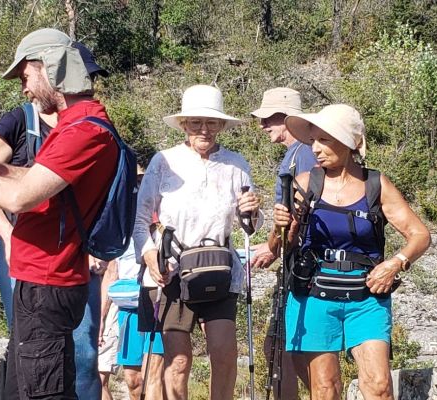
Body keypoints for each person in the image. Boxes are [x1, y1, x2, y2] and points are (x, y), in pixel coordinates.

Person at [0, 27, 119, 400]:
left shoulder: (84, 131)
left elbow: (20, 197)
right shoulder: (75, 126)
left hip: (49, 282)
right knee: (27, 388)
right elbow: (34, 178)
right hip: (42, 281)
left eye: (26, 76)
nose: (24, 88)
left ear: (50, 69)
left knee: (43, 392)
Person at [270, 104, 432, 400]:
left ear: (348, 143)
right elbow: (278, 247)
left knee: (379, 386)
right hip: (313, 293)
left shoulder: (375, 185)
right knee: (325, 388)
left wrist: (395, 264)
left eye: (325, 140)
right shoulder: (306, 183)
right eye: (313, 141)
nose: (316, 148)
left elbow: (420, 234)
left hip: (366, 296)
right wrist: (280, 227)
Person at [134, 85, 259, 400]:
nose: (204, 130)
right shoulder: (164, 161)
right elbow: (139, 219)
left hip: (219, 269)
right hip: (173, 273)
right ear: (183, 125)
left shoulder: (236, 164)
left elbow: (250, 226)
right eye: (196, 123)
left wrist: (252, 212)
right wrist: (150, 256)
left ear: (221, 126)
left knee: (224, 353)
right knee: (178, 361)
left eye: (212, 123)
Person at [243, 87, 316, 399]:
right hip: (295, 258)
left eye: (269, 118)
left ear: (288, 117)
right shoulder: (298, 153)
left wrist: (272, 247)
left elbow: (298, 210)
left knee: (288, 344)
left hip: (301, 262)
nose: (263, 125)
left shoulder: (306, 153)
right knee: (280, 344)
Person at [101, 236, 164, 400]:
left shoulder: (162, 222)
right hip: (128, 306)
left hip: (156, 303)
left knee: (152, 375)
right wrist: (102, 317)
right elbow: (111, 273)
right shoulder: (122, 228)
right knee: (132, 379)